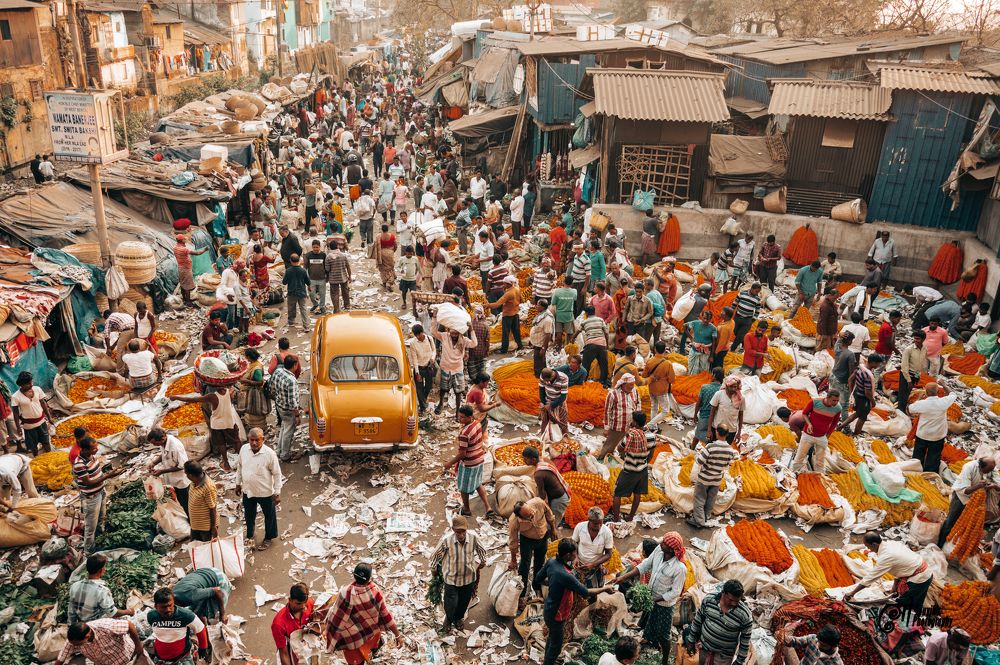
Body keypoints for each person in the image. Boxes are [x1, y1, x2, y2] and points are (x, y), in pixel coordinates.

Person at [612, 533, 687, 664]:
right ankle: (650, 641)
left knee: (664, 635)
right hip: (651, 596)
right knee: (649, 623)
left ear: (671, 549)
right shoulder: (659, 551)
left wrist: (653, 600)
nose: (660, 544)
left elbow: (675, 592)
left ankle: (664, 661)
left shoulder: (679, 568)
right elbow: (645, 565)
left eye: (664, 543)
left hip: (664, 604)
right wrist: (624, 577)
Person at [536, 539, 614, 665]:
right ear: (567, 555)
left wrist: (553, 583)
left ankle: (547, 659)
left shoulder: (551, 562)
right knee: (556, 646)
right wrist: (605, 588)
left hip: (549, 608)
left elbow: (538, 578)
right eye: (574, 553)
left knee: (552, 638)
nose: (576, 555)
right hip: (557, 614)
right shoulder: (566, 576)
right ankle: (548, 661)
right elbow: (586, 592)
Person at [325, 563, 404, 664]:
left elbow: (336, 618)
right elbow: (386, 615)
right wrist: (397, 635)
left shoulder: (345, 593)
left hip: (353, 638)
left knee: (357, 661)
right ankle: (374, 652)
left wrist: (330, 639)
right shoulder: (375, 591)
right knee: (373, 647)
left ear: (354, 575)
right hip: (371, 632)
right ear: (369, 578)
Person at [844, 533, 934, 612]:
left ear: (874, 544)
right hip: (923, 571)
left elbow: (871, 578)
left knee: (906, 606)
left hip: (919, 578)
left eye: (868, 546)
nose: (868, 549)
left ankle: (910, 625)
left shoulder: (886, 556)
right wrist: (894, 587)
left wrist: (852, 593)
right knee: (915, 602)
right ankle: (914, 620)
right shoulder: (891, 543)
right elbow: (899, 567)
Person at [431, 514, 487, 631]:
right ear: (453, 530)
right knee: (450, 602)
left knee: (463, 601)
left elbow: (481, 550)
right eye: (458, 532)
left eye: (463, 532)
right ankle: (449, 618)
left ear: (467, 529)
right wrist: (434, 568)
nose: (461, 535)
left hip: (468, 577)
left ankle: (459, 618)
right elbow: (435, 555)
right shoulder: (446, 540)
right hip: (451, 578)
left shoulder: (473, 538)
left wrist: (482, 561)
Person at [173, 384, 242, 471]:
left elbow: (191, 399)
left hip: (217, 424)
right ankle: (242, 460)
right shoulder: (229, 391)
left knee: (221, 444)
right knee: (236, 441)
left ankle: (226, 463)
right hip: (229, 421)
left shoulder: (212, 396)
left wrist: (176, 397)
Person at [685, 579, 753, 665]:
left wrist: (739, 661)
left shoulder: (744, 615)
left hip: (723, 656)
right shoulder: (709, 600)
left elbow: (745, 640)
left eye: (737, 601)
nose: (734, 604)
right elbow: (697, 621)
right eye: (731, 600)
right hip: (704, 648)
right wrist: (691, 640)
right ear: (723, 593)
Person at [444, 405, 496, 516]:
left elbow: (462, 454)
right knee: (477, 483)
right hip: (479, 459)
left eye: (462, 417)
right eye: (459, 417)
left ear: (469, 417)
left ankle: (466, 509)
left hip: (469, 463)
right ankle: (488, 507)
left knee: (463, 488)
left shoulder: (464, 433)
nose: (460, 419)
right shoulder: (477, 423)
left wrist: (450, 463)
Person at [74, 437, 124, 552]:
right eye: (94, 448)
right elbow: (88, 482)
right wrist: (107, 476)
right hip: (91, 497)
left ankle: (100, 540)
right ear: (85, 450)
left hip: (100, 492)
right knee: (90, 526)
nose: (97, 449)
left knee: (101, 518)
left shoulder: (91, 457)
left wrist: (110, 473)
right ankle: (89, 551)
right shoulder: (79, 464)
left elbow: (96, 473)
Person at [235, 427, 282, 550]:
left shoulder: (269, 454)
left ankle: (268, 538)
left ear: (263, 439)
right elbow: (240, 466)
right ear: (248, 439)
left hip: (265, 492)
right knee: (249, 515)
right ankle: (250, 534)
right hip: (248, 490)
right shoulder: (244, 449)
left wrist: (277, 493)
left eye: (257, 440)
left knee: (269, 515)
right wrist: (237, 483)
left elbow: (277, 474)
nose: (254, 443)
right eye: (251, 440)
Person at [937, 456, 998, 547]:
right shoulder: (969, 467)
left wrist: (994, 485)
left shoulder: (991, 469)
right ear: (981, 466)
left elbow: (998, 482)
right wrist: (978, 486)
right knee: (951, 522)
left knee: (967, 526)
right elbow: (964, 490)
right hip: (961, 498)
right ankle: (940, 544)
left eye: (991, 470)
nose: (989, 472)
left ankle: (954, 545)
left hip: (975, 500)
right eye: (988, 470)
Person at [508, 496, 556, 601]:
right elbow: (513, 541)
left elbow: (549, 515)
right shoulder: (514, 521)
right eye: (528, 516)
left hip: (543, 537)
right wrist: (513, 560)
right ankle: (521, 594)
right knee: (524, 565)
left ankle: (537, 587)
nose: (532, 515)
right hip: (527, 540)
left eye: (531, 512)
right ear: (521, 517)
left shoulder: (538, 503)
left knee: (540, 563)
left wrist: (553, 529)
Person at [147, 587, 211, 665]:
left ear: (174, 602)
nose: (168, 609)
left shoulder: (186, 615)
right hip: (160, 657)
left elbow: (200, 629)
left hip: (182, 658)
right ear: (156, 606)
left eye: (170, 605)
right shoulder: (151, 616)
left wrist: (203, 648)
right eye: (163, 607)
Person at [689, 427, 737, 528]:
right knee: (710, 500)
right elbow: (728, 464)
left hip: (704, 478)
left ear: (717, 432)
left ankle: (699, 521)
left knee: (699, 499)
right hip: (717, 479)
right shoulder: (730, 450)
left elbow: (700, 461)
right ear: (727, 434)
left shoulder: (710, 446)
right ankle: (706, 517)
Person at [67, 554, 133, 625]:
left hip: (82, 624)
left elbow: (71, 611)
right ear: (101, 570)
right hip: (95, 625)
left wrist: (72, 626)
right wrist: (128, 611)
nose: (105, 569)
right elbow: (112, 613)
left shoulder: (74, 586)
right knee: (128, 623)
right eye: (104, 567)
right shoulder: (101, 590)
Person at [611, 411, 651, 522]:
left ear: (635, 422)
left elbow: (620, 448)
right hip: (643, 470)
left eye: (632, 420)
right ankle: (630, 517)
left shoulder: (631, 434)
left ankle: (616, 520)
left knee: (617, 494)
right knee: (637, 494)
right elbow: (651, 451)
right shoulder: (650, 436)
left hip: (629, 470)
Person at [909, 383, 956, 473]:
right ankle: (929, 474)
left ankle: (915, 472)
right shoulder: (943, 402)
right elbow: (953, 394)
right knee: (934, 457)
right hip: (937, 436)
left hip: (922, 434)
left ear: (926, 392)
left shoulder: (922, 404)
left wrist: (919, 398)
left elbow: (911, 409)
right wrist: (945, 385)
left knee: (918, 457)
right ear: (938, 391)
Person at [791, 393, 843, 473]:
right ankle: (793, 473)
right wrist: (809, 424)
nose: (835, 403)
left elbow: (834, 423)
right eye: (833, 400)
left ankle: (820, 476)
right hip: (807, 435)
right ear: (827, 397)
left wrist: (827, 436)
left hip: (822, 437)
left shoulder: (838, 408)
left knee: (820, 460)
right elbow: (804, 413)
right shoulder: (815, 402)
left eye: (837, 401)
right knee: (800, 457)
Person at [55, 619, 143, 665]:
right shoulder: (74, 640)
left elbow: (129, 625)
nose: (74, 646)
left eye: (78, 644)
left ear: (87, 636)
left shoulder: (107, 627)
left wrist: (138, 645)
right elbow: (61, 657)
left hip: (126, 657)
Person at [273, 583, 322, 665]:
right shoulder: (278, 624)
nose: (303, 606)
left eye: (304, 602)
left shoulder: (309, 603)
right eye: (298, 603)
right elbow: (284, 653)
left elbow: (318, 622)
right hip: (293, 655)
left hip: (310, 647)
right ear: (290, 600)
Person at [599, 373, 642, 459]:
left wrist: (637, 421)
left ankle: (623, 461)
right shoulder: (612, 394)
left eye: (633, 385)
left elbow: (638, 404)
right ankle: (601, 460)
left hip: (631, 426)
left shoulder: (635, 391)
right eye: (630, 385)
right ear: (623, 384)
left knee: (626, 446)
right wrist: (606, 428)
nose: (632, 387)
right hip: (617, 426)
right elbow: (607, 412)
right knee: (609, 446)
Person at [147, 427, 191, 512]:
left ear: (162, 438)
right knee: (179, 500)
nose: (154, 445)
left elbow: (182, 466)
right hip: (173, 478)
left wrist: (161, 471)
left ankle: (191, 520)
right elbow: (164, 454)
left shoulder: (175, 447)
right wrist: (154, 463)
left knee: (186, 502)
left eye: (155, 443)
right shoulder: (163, 442)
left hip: (180, 479)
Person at [268, 355, 302, 462]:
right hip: (288, 410)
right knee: (288, 431)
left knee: (284, 427)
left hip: (279, 406)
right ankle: (284, 455)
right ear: (295, 365)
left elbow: (271, 388)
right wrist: (297, 415)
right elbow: (292, 402)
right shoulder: (291, 380)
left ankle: (279, 450)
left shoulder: (278, 371)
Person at [12, 371, 54, 456]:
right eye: (28, 383)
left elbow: (43, 403)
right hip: (29, 426)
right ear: (21, 384)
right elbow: (15, 413)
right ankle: (36, 459)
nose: (31, 384)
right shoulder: (15, 397)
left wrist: (49, 417)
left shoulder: (37, 389)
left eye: (31, 382)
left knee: (46, 442)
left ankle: (50, 457)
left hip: (41, 422)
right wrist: (18, 427)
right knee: (33, 446)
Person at [841, 354, 881, 435]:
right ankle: (856, 434)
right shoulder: (867, 375)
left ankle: (840, 427)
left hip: (857, 394)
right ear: (873, 363)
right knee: (862, 418)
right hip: (864, 399)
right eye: (878, 363)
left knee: (857, 414)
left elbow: (850, 379)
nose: (878, 365)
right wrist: (873, 401)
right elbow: (867, 392)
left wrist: (852, 392)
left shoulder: (860, 368)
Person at [777, 622, 844, 665]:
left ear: (834, 646)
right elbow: (795, 641)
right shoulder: (813, 639)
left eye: (823, 645)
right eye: (819, 642)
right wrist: (784, 638)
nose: (818, 646)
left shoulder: (836, 663)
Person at [644, 341, 675, 431]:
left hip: (651, 388)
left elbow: (644, 375)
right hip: (662, 390)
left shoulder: (650, 361)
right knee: (665, 411)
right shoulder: (668, 363)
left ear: (655, 349)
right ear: (665, 350)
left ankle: (653, 427)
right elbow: (672, 380)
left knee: (654, 406)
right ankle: (650, 425)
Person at [183, 461, 218, 542]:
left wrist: (213, 527)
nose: (186, 476)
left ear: (190, 475)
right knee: (195, 547)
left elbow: (212, 508)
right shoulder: (193, 482)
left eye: (186, 474)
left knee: (206, 549)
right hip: (195, 525)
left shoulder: (208, 488)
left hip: (205, 528)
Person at [488, 275, 524, 353]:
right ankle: (520, 346)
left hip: (508, 315)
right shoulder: (516, 289)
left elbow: (497, 304)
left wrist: (486, 305)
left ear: (508, 284)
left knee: (505, 333)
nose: (503, 285)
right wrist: (514, 304)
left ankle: (504, 350)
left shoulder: (508, 294)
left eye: (504, 284)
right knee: (516, 331)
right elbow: (522, 300)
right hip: (515, 313)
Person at [407, 323, 437, 414]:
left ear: (422, 332)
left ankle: (422, 402)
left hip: (429, 367)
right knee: (419, 389)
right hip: (419, 368)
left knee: (428, 387)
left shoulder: (429, 338)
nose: (418, 337)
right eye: (416, 335)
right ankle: (423, 408)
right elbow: (414, 359)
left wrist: (432, 358)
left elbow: (434, 350)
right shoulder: (413, 343)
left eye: (419, 334)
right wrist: (417, 373)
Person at [578, 306, 611, 387]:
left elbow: (577, 332)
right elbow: (606, 333)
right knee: (603, 365)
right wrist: (607, 345)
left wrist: (571, 340)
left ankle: (583, 381)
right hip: (601, 345)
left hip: (590, 345)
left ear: (587, 313)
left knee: (586, 365)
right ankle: (603, 383)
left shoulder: (584, 322)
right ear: (594, 312)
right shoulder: (600, 320)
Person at [709, 375, 744, 443]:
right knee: (713, 449)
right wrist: (709, 429)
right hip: (717, 429)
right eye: (731, 386)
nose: (733, 389)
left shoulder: (741, 399)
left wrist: (739, 432)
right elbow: (712, 412)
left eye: (735, 387)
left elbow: (741, 415)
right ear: (726, 386)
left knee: (725, 450)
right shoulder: (719, 394)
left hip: (731, 431)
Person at [693, 368, 724, 445]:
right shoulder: (722, 390)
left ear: (714, 376)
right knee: (711, 436)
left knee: (698, 435)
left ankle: (693, 448)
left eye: (712, 374)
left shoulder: (705, 387)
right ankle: (710, 449)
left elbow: (698, 403)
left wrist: (695, 415)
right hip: (716, 418)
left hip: (704, 416)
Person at [282, 254, 311, 333]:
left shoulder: (288, 270)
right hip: (302, 293)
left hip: (292, 293)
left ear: (291, 261)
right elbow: (308, 281)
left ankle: (291, 321)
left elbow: (284, 282)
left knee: (291, 308)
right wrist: (309, 287)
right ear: (299, 261)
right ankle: (306, 327)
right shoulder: (303, 270)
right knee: (303, 309)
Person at [829, 331, 856, 416]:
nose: (852, 342)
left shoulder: (837, 348)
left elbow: (838, 339)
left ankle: (830, 415)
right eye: (851, 340)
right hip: (842, 380)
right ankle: (844, 425)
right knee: (844, 405)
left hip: (833, 376)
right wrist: (851, 387)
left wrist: (840, 335)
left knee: (832, 398)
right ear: (849, 341)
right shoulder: (850, 354)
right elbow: (851, 372)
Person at [539, 367, 570, 437]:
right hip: (548, 399)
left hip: (559, 401)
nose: (547, 382)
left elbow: (563, 397)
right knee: (545, 420)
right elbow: (541, 389)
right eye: (545, 381)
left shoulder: (563, 378)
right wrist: (542, 402)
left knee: (562, 421)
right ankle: (545, 437)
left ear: (552, 375)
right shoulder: (542, 376)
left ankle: (565, 437)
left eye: (548, 380)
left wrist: (551, 405)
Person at [731, 283, 762, 351]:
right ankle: (744, 342)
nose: (757, 293)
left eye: (758, 292)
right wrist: (730, 312)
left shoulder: (758, 299)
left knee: (740, 335)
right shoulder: (742, 293)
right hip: (737, 317)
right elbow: (735, 303)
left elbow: (757, 311)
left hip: (747, 320)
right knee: (735, 331)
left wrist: (753, 319)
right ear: (752, 288)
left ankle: (733, 348)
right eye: (756, 291)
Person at [686, 309, 718, 375]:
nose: (705, 320)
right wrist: (691, 338)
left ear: (710, 319)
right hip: (694, 351)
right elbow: (685, 326)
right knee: (691, 369)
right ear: (701, 317)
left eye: (708, 319)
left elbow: (714, 342)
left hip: (705, 354)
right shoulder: (695, 323)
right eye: (704, 318)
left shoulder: (713, 328)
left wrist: (711, 356)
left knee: (703, 371)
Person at [325, 236, 352, 313]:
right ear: (337, 246)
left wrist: (327, 278)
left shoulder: (328, 257)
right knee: (345, 292)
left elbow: (327, 269)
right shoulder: (343, 255)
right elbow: (348, 267)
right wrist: (349, 276)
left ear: (330, 247)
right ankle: (347, 305)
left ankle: (336, 309)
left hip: (333, 279)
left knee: (334, 294)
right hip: (343, 277)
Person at [551, 276, 578, 347]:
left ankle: (559, 347)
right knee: (569, 333)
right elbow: (575, 299)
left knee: (559, 333)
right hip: (568, 314)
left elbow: (553, 303)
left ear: (563, 282)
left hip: (559, 314)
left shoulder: (557, 291)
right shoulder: (574, 291)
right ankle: (569, 347)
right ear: (572, 284)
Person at [530, 300, 554, 377]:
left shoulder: (547, 319)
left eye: (538, 305)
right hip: (537, 342)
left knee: (539, 362)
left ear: (542, 307)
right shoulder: (542, 315)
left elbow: (548, 334)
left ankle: (539, 376)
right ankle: (542, 374)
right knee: (539, 361)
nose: (536, 306)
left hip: (541, 344)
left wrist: (543, 348)